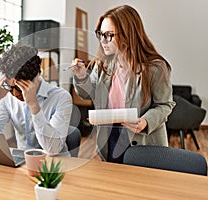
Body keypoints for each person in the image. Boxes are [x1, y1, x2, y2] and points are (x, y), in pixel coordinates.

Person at [71, 5, 176, 163]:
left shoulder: (156, 68)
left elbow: (165, 105)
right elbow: (87, 93)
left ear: (128, 34)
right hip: (109, 137)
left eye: (109, 35)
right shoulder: (103, 64)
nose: (102, 41)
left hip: (142, 140)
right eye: (100, 34)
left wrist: (146, 121)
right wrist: (81, 76)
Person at [0, 45, 73, 156]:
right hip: (23, 162)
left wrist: (34, 106)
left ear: (37, 75)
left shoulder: (61, 98)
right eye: (11, 88)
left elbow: (53, 149)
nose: (14, 94)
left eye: (19, 88)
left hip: (56, 163)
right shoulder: (7, 97)